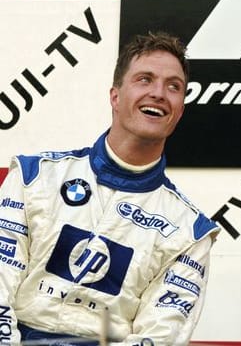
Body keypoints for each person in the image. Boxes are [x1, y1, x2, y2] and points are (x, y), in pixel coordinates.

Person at [0, 31, 220, 345]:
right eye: (145, 79)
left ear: (180, 110)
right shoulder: (33, 177)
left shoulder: (189, 231)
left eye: (174, 86)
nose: (159, 93)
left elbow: (159, 338)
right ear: (115, 96)